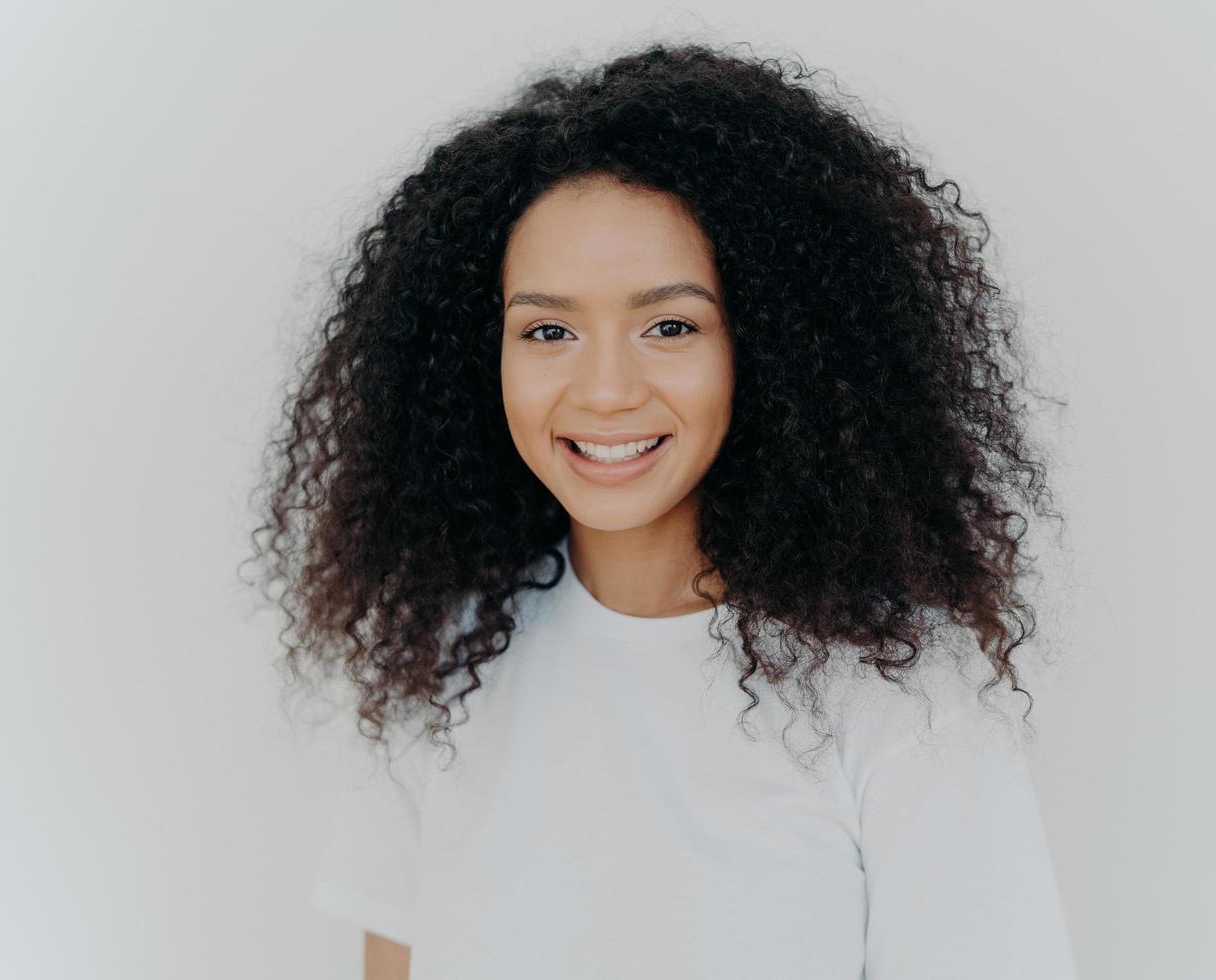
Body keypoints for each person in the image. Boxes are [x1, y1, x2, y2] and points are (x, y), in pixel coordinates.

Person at [246, 39, 1077, 980]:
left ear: (768, 344)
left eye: (669, 326)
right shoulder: (444, 657)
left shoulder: (904, 695)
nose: (604, 390)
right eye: (548, 330)